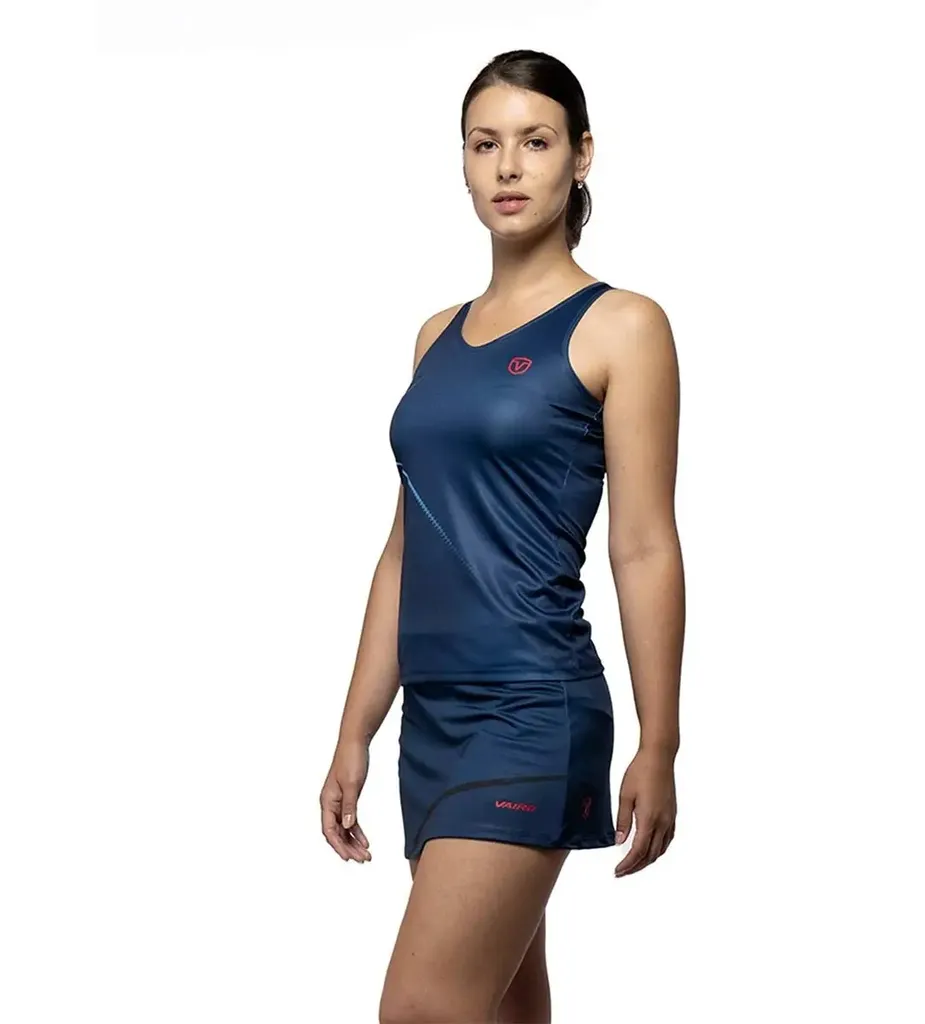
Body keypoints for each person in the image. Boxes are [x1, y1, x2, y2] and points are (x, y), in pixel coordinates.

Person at [320, 48, 685, 1023]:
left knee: (423, 1007)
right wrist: (355, 730)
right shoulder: (435, 337)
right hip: (432, 719)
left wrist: (659, 740)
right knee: (500, 1010)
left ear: (581, 155)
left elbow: (644, 545)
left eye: (535, 141)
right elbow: (406, 549)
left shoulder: (622, 326)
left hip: (530, 709)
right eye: (485, 145)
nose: (509, 166)